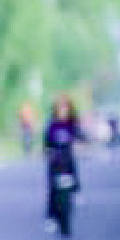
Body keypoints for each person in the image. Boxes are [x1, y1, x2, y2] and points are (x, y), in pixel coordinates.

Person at [43, 94, 87, 227]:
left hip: (68, 159)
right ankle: (51, 216)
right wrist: (48, 151)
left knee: (73, 173)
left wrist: (80, 146)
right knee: (53, 189)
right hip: (55, 160)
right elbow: (46, 144)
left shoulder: (72, 123)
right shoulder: (52, 125)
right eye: (60, 109)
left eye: (65, 108)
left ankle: (75, 191)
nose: (63, 111)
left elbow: (81, 138)